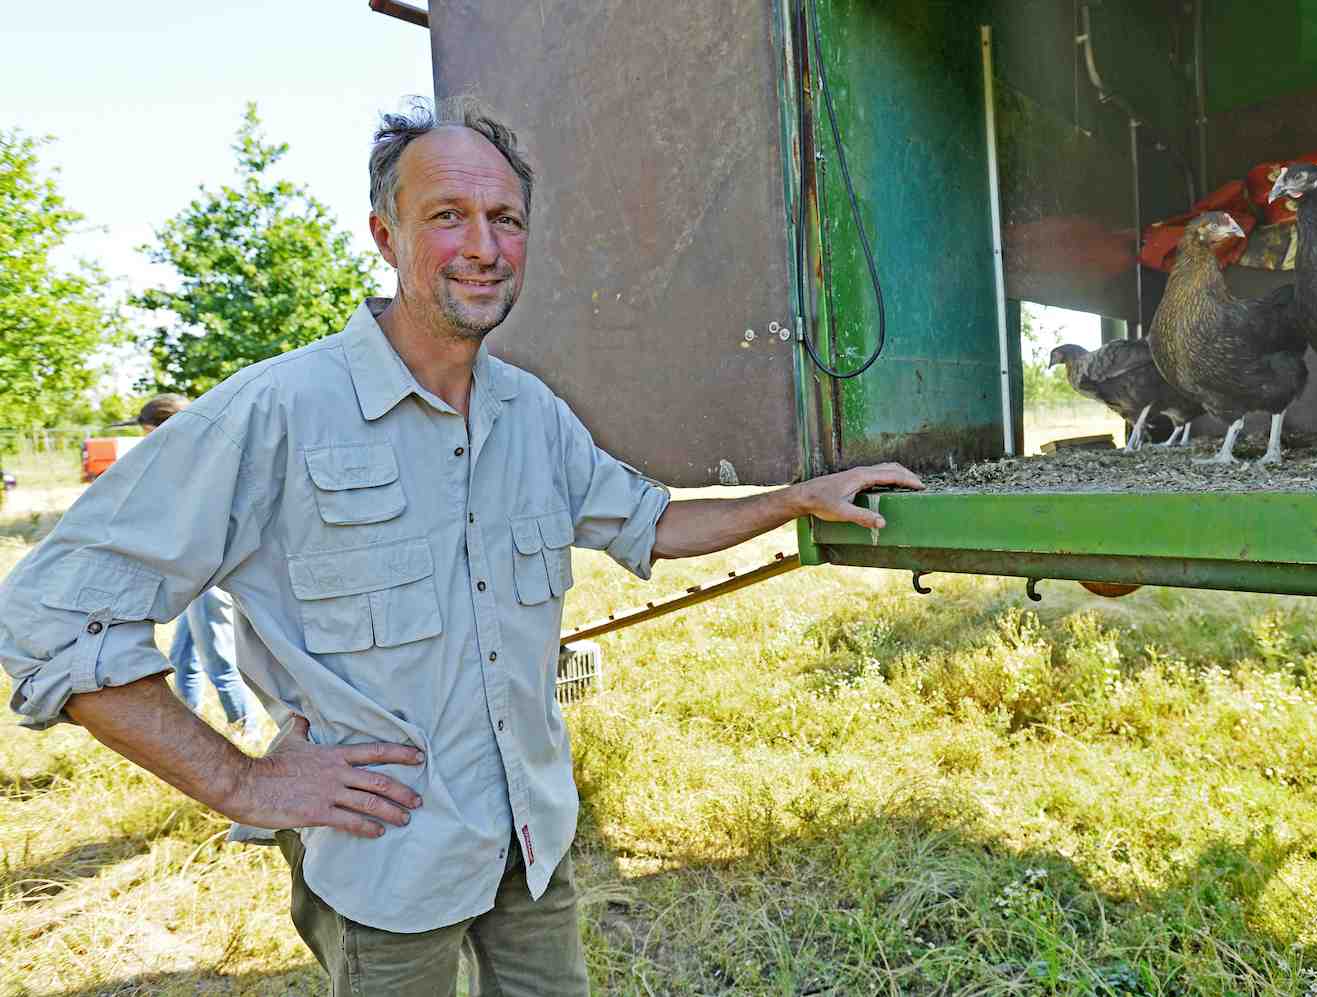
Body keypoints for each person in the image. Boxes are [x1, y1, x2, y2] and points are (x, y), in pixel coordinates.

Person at [0, 96, 923, 996]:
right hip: (387, 866)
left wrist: (799, 498)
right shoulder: (276, 412)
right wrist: (242, 783)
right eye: (448, 216)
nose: (483, 247)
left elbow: (654, 523)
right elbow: (46, 617)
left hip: (531, 842)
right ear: (385, 235)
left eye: (505, 218)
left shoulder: (533, 414)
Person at [128, 395, 260, 736]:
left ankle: (248, 730)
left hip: (208, 574)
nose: (144, 438)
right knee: (183, 655)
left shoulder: (196, 459)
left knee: (218, 660)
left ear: (161, 426)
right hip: (189, 574)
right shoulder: (182, 457)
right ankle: (189, 725)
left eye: (146, 430)